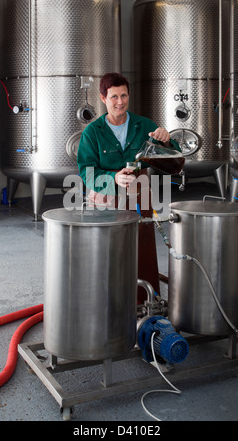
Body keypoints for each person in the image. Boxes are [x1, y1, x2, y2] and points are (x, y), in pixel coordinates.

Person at [77, 72, 180, 302]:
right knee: (106, 252)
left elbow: (173, 162)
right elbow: (86, 172)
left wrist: (166, 140)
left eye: (124, 95)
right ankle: (106, 304)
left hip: (139, 194)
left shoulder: (144, 125)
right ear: (103, 98)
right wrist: (113, 178)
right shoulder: (92, 133)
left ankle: (146, 304)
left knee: (141, 251)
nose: (120, 101)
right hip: (105, 197)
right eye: (114, 97)